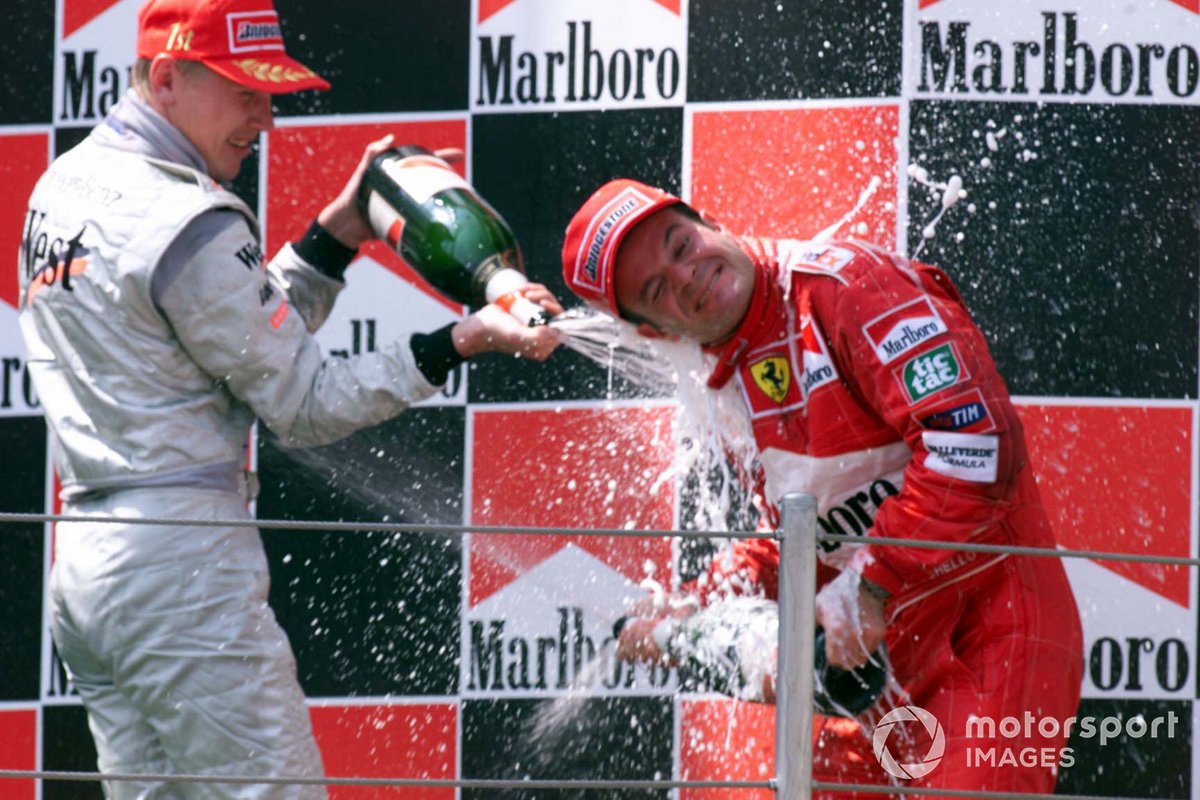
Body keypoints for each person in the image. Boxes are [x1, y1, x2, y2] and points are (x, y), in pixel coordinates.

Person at [18, 0, 560, 797]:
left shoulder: (60, 186)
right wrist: (462, 340)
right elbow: (304, 402)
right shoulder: (185, 214)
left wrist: (340, 229)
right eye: (245, 93)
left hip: (90, 568)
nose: (265, 119)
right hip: (183, 572)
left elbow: (229, 336)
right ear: (166, 78)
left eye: (271, 95)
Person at [561, 179, 1083, 795]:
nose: (687, 276)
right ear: (653, 331)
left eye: (680, 244)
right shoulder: (723, 377)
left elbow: (974, 447)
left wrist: (872, 585)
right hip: (874, 674)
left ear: (706, 218)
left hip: (990, 630)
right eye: (657, 289)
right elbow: (811, 533)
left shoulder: (846, 288)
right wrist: (698, 600)